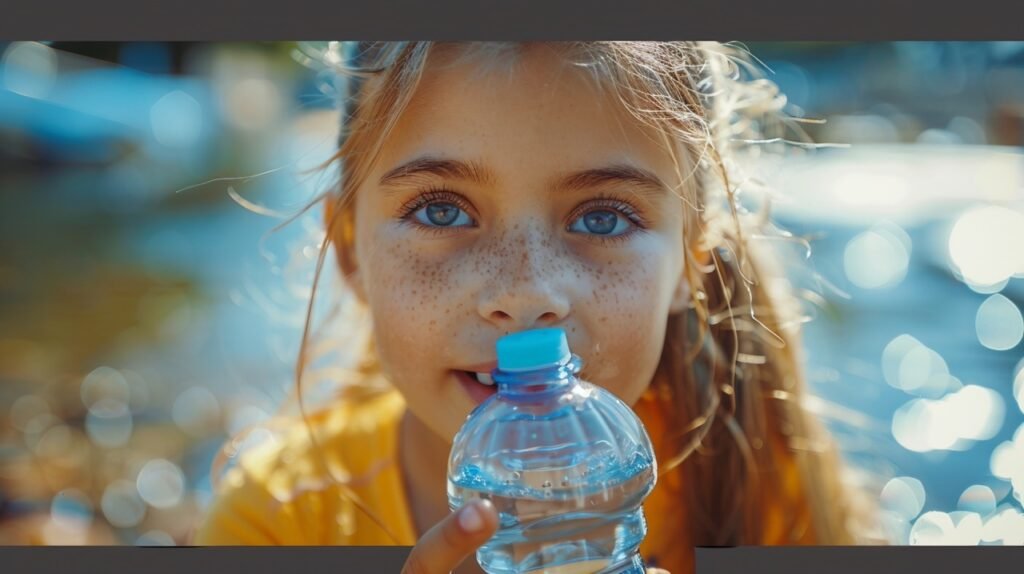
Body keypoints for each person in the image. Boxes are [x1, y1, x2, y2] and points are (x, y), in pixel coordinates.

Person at [192, 42, 878, 573]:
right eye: (441, 209)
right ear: (348, 251)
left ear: (689, 262)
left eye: (604, 218)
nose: (524, 294)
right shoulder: (273, 523)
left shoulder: (759, 489)